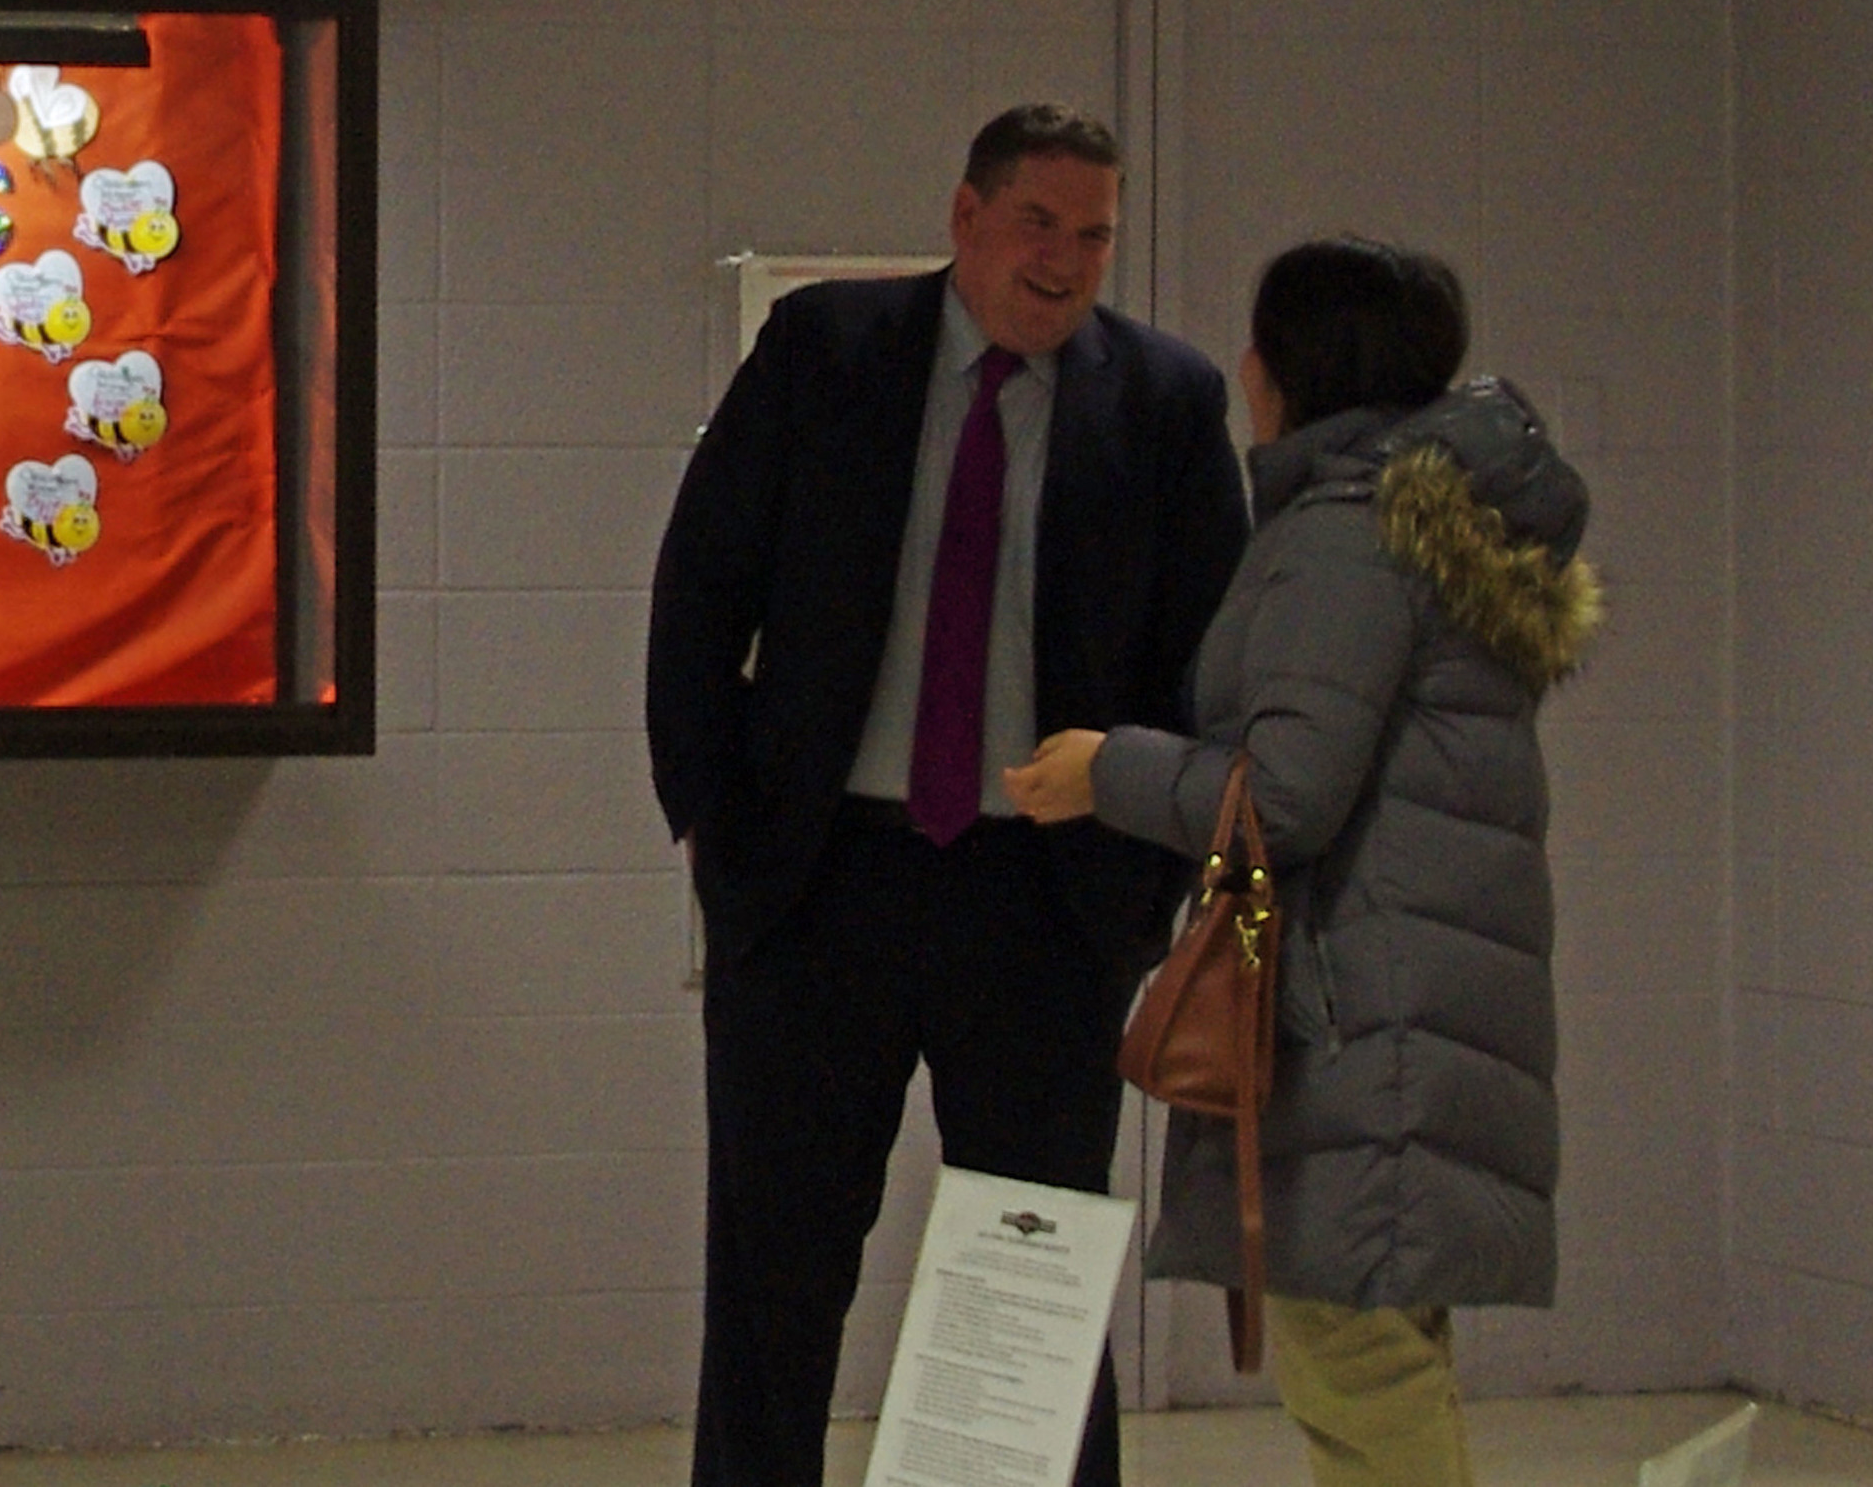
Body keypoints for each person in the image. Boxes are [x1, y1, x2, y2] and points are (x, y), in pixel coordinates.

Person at [646, 102, 1248, 1487]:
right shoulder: (827, 353)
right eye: (1039, 223)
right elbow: (700, 591)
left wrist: (1142, 882)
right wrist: (711, 822)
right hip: (816, 883)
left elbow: (1205, 662)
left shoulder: (1163, 403)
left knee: (1031, 1283)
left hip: (1044, 897)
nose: (1067, 260)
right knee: (774, 1278)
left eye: (1095, 234)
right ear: (966, 218)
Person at [1005, 237, 1602, 1487]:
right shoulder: (1422, 522)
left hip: (1360, 1031)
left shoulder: (1346, 538)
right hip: (1405, 1012)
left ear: (1289, 370)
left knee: (1361, 1376)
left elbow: (1284, 794)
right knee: (1379, 1364)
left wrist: (1102, 770)